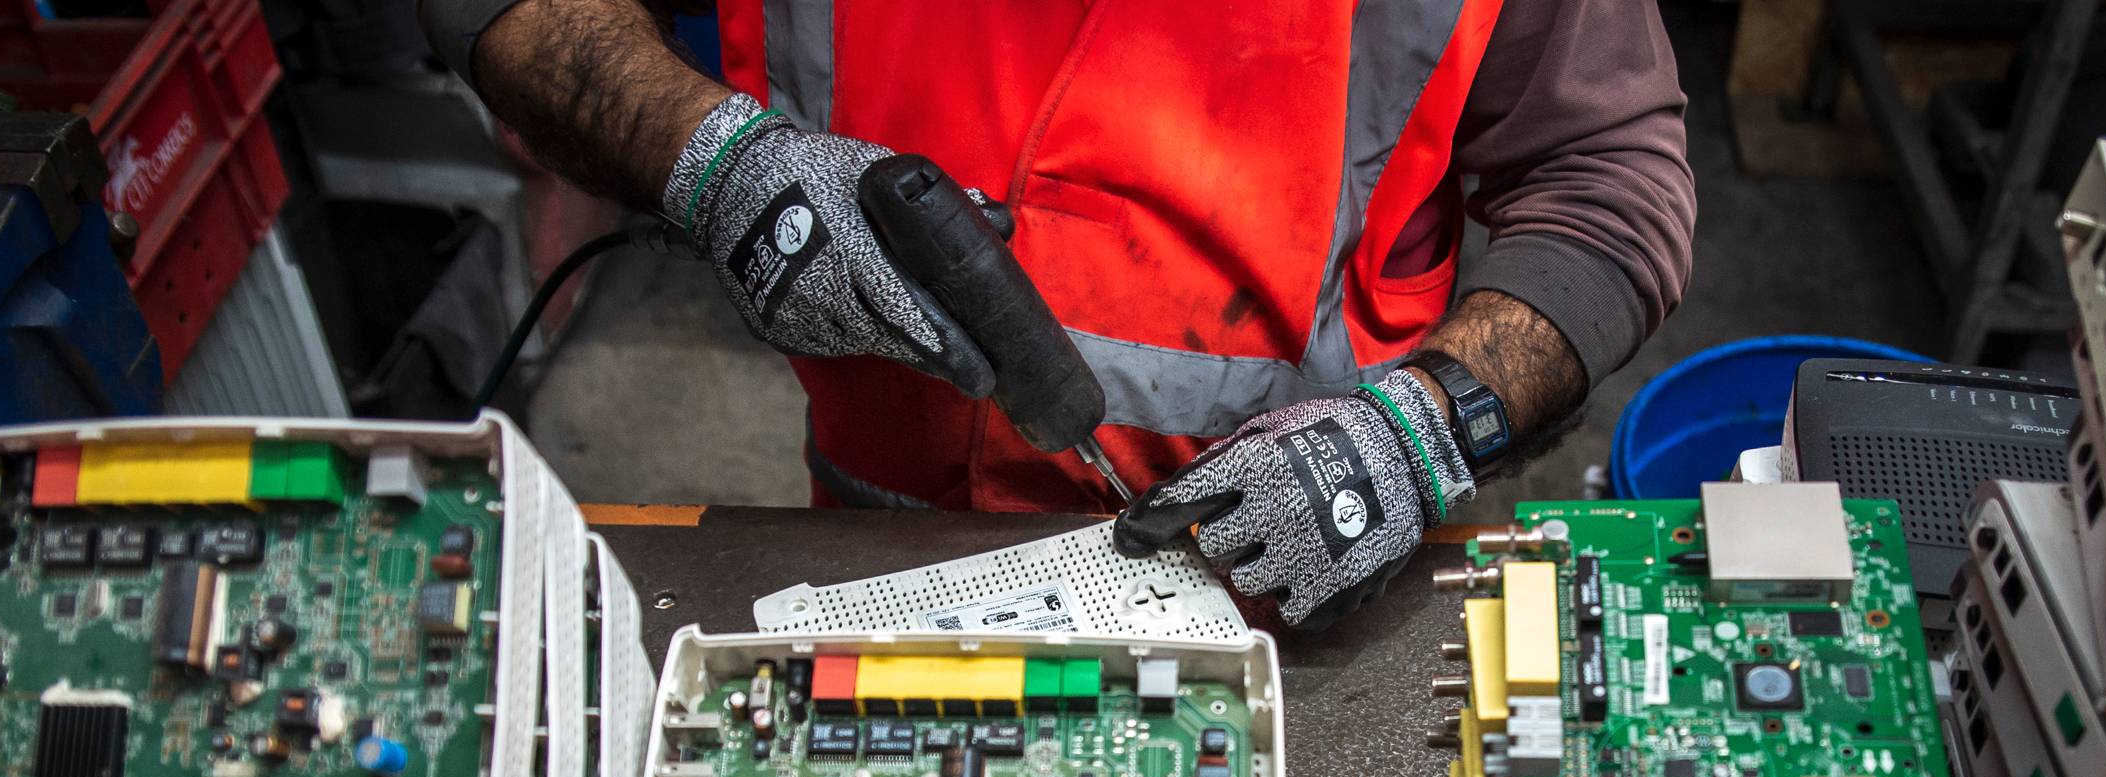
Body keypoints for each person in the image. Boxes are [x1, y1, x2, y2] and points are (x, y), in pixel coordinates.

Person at [424, 0, 1694, 627]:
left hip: (1288, 575)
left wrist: (1428, 424)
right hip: (878, 539)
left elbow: (1606, 183)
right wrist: (707, 155)